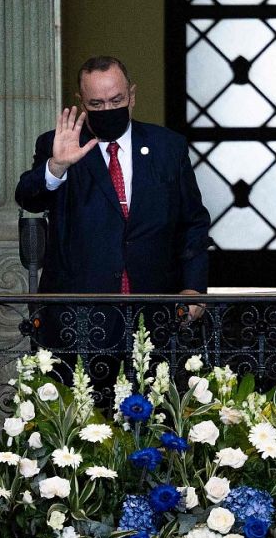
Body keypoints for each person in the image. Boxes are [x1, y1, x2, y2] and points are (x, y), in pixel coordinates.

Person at [15, 56, 211, 372]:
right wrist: (58, 166)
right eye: (97, 103)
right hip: (79, 319)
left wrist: (193, 288)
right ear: (82, 102)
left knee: (151, 412)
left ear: (131, 96)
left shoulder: (167, 147)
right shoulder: (58, 144)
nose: (108, 110)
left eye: (116, 100)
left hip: (154, 313)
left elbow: (193, 222)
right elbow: (29, 198)